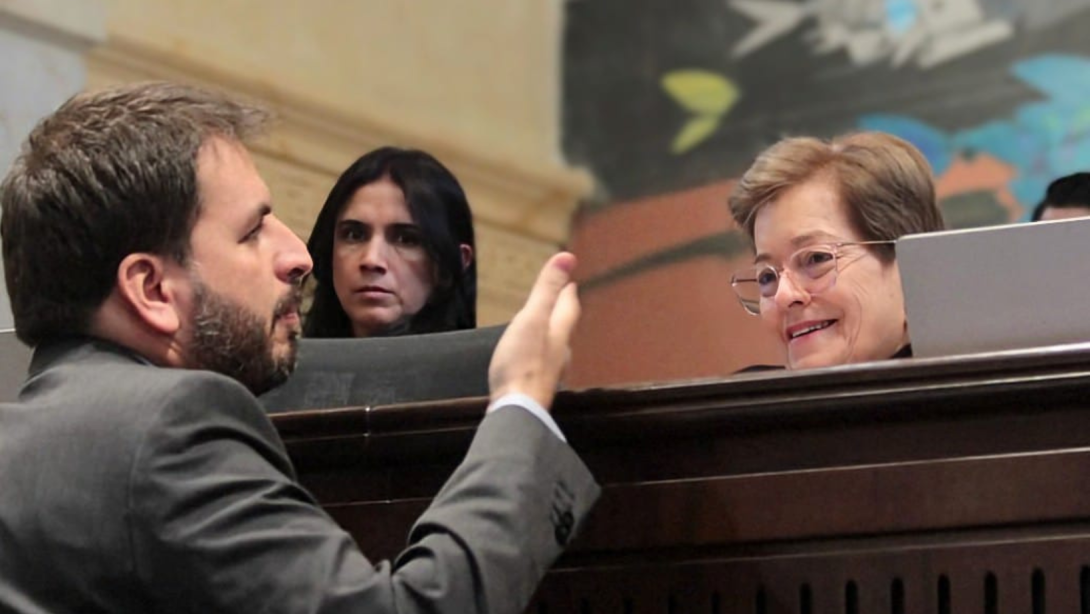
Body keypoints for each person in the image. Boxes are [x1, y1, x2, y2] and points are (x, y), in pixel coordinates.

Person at [0, 82, 598, 612]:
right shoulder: (170, 428)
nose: (299, 257)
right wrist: (521, 401)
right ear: (153, 288)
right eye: (253, 231)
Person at [728, 131, 945, 370]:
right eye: (767, 277)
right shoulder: (737, 403)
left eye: (816, 258)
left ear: (910, 269)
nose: (784, 296)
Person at [305, 147, 476, 338]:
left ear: (454, 263)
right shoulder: (285, 363)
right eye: (354, 235)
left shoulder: (484, 367)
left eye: (406, 239)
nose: (372, 260)